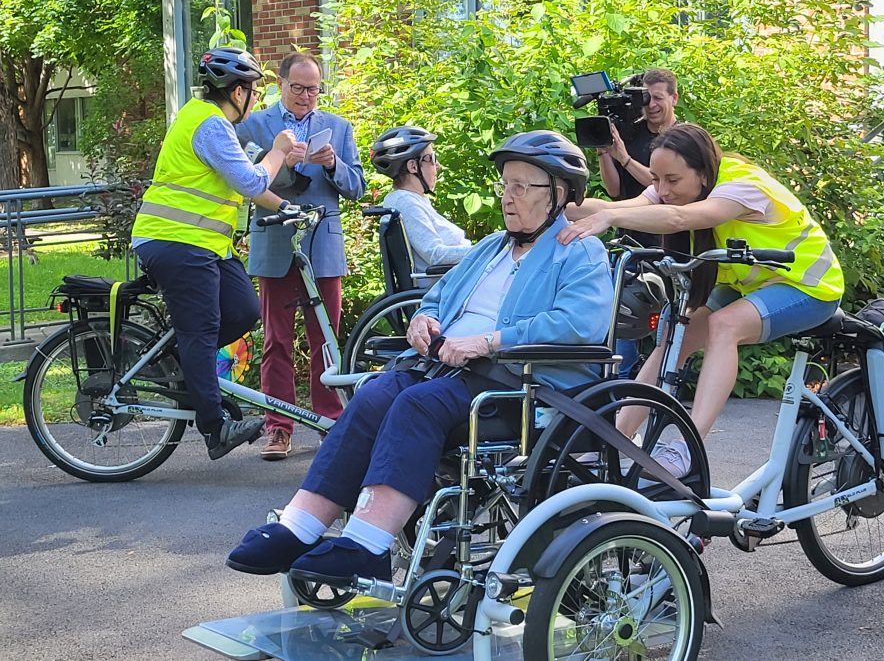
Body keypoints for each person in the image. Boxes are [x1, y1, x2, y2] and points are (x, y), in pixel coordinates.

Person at [226, 131, 613, 583]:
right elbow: (439, 294)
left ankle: (368, 544)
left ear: (560, 194)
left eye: (521, 187)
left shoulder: (579, 250)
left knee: (415, 406)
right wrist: (422, 320)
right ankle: (300, 525)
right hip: (449, 370)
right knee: (375, 393)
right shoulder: (491, 247)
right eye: (505, 185)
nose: (508, 197)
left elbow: (578, 323)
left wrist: (490, 340)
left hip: (519, 385)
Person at [559, 123, 845, 477]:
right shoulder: (675, 186)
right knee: (673, 336)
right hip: (751, 284)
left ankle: (688, 447)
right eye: (657, 179)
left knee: (725, 326)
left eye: (672, 180)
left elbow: (679, 218)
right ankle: (615, 439)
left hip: (809, 285)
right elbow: (619, 205)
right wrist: (550, 204)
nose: (662, 190)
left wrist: (611, 217)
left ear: (703, 172)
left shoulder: (744, 186)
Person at [131, 47, 297, 460]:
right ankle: (215, 428)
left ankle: (185, 362)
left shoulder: (210, 122)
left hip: (204, 245)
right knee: (202, 330)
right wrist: (278, 151)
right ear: (237, 91)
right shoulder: (208, 124)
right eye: (254, 91)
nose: (256, 99)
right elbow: (249, 179)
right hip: (176, 240)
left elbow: (250, 186)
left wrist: (288, 208)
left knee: (243, 311)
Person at [235, 52, 366, 461]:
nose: (307, 96)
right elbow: (241, 180)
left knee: (326, 340)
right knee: (276, 340)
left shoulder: (338, 127)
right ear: (280, 84)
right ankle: (279, 428)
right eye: (298, 88)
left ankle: (330, 421)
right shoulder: (254, 125)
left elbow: (357, 187)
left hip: (322, 245)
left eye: (314, 89)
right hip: (275, 241)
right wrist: (277, 161)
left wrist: (334, 165)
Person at [597, 68, 680, 378]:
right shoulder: (631, 132)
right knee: (620, 313)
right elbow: (614, 190)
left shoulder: (683, 138)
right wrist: (606, 153)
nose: (652, 105)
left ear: (674, 97)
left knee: (669, 320)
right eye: (647, 98)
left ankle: (663, 378)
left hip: (668, 240)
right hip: (629, 239)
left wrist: (625, 159)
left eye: (658, 98)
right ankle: (620, 380)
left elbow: (663, 188)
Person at [369, 126, 471, 288]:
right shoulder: (405, 202)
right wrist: (484, 249)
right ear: (413, 166)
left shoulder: (412, 200)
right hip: (444, 292)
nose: (438, 166)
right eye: (432, 158)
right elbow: (435, 255)